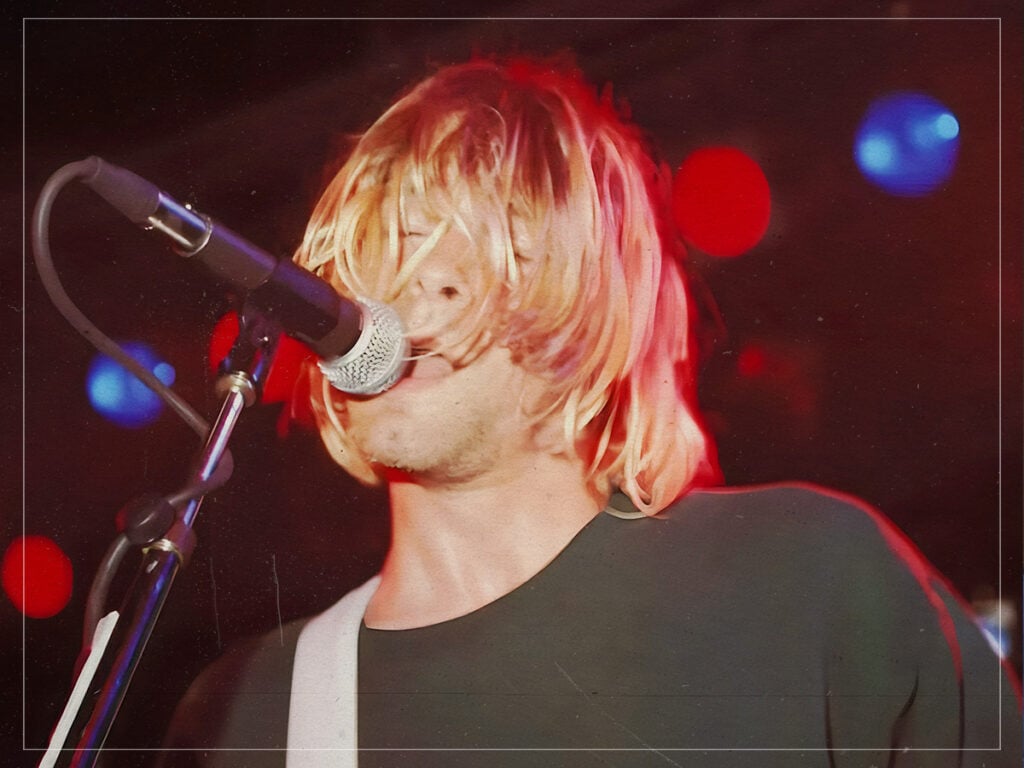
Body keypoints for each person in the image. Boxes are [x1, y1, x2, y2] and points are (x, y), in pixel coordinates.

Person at [158, 55, 1020, 767]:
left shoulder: (809, 578)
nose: (404, 292)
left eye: (472, 249)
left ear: (591, 300)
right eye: (379, 254)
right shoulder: (250, 716)